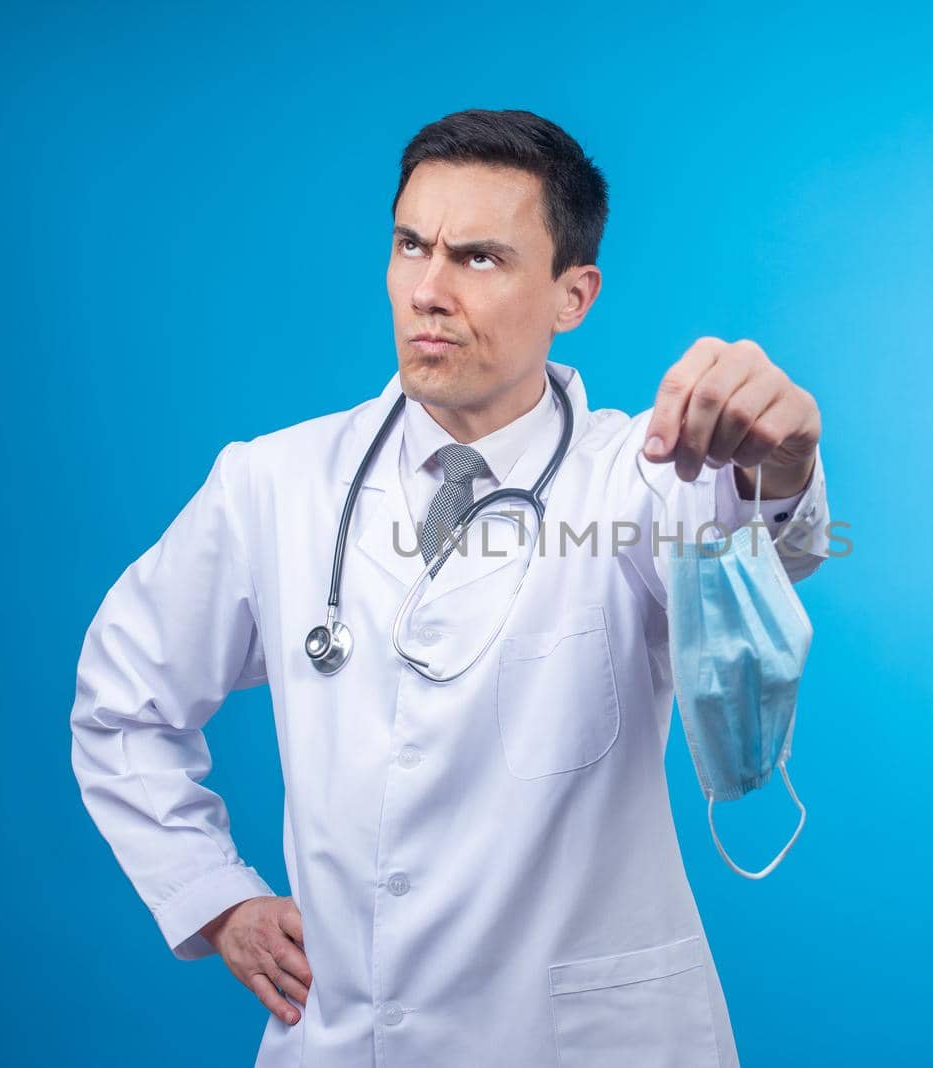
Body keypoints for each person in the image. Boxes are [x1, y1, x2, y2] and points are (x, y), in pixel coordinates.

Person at [70, 107, 832, 1067]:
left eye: (478, 258)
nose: (427, 290)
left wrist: (785, 457)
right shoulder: (274, 483)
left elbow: (763, 545)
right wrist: (210, 894)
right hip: (347, 1038)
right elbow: (121, 704)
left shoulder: (635, 476)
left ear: (573, 295)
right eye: (409, 246)